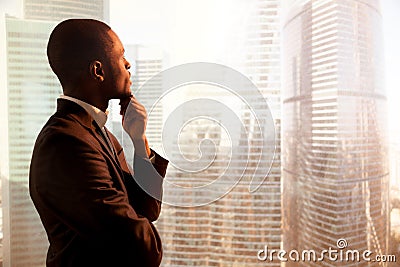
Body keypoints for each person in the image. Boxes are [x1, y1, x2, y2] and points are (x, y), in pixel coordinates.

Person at [29, 19, 168, 267]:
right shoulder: (66, 143)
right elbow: (143, 249)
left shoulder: (100, 134)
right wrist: (140, 226)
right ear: (98, 71)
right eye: (121, 56)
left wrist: (139, 140)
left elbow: (148, 208)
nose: (128, 64)